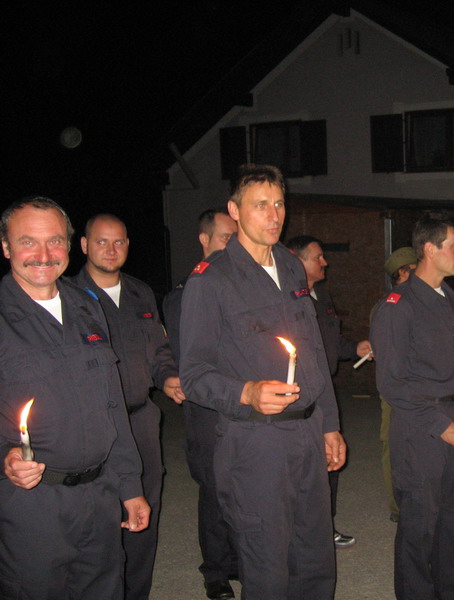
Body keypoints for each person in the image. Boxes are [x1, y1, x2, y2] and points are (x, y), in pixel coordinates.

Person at [179, 164, 346, 599]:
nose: (274, 216)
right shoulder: (210, 280)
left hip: (307, 431)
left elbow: (313, 351)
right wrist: (246, 392)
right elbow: (193, 374)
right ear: (235, 211)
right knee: (268, 566)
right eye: (260, 205)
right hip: (255, 442)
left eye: (279, 204)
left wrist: (329, 424)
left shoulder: (290, 265)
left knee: (315, 559)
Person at [0, 197, 149, 599]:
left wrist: (129, 484)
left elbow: (112, 404)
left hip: (99, 496)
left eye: (54, 241)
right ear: (6, 247)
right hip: (31, 505)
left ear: (68, 245)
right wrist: (4, 457)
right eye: (28, 241)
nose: (44, 254)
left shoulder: (87, 306)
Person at [73, 213, 182, 600]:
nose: (111, 249)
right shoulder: (67, 297)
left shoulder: (141, 293)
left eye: (118, 241)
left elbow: (160, 349)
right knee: (100, 520)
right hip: (94, 427)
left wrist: (168, 377)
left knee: (143, 513)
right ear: (84, 245)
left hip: (140, 421)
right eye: (101, 241)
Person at [370, 215, 454, 600]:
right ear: (430, 250)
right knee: (420, 527)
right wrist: (440, 424)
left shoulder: (448, 298)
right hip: (422, 429)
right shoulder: (398, 306)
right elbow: (392, 382)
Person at [162, 207, 239, 600]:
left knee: (242, 485)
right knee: (214, 489)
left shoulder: (238, 284)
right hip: (208, 408)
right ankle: (216, 570)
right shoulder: (188, 292)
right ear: (204, 240)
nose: (232, 245)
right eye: (225, 237)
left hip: (240, 403)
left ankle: (240, 559)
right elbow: (191, 358)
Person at [286, 234, 372, 548]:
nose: (325, 262)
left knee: (330, 459)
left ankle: (324, 526)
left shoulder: (321, 295)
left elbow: (329, 344)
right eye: (317, 257)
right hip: (298, 393)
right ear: (296, 260)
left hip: (325, 389)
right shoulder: (287, 298)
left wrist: (354, 348)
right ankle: (295, 532)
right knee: (300, 466)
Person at [375, 246, 417, 522]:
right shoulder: (389, 306)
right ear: (402, 272)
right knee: (395, 446)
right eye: (414, 269)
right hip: (396, 388)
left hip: (418, 388)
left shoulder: (419, 301)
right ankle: (398, 506)